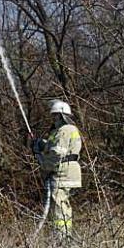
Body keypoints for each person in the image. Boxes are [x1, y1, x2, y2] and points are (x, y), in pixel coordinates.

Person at [32, 99, 82, 238]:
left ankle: (62, 238)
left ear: (62, 116)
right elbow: (56, 147)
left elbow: (57, 154)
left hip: (62, 173)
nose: (53, 119)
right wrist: (41, 144)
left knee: (59, 206)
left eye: (55, 116)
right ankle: (60, 236)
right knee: (59, 205)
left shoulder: (65, 130)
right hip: (67, 171)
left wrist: (44, 166)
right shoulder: (65, 130)